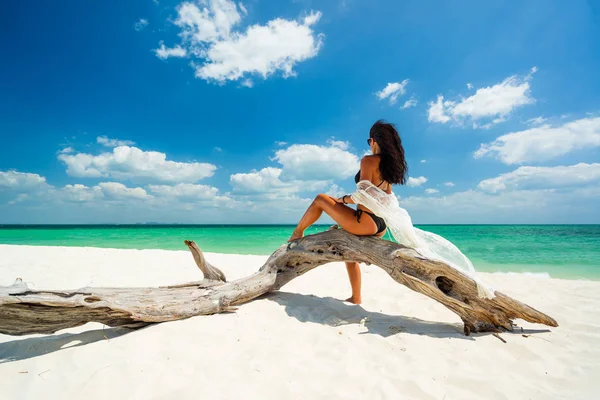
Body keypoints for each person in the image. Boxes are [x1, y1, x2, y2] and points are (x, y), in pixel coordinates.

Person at [288, 120, 408, 304]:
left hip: (366, 222)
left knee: (320, 199)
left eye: (369, 142)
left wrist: (342, 200)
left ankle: (297, 234)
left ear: (373, 141)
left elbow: (363, 194)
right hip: (381, 225)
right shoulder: (388, 166)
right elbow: (385, 198)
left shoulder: (369, 161)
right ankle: (356, 297)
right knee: (349, 253)